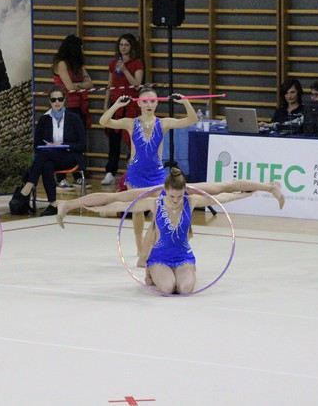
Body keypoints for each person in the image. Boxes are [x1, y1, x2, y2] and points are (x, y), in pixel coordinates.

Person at [57, 168, 285, 294]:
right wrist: (81, 206)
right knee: (168, 288)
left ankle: (270, 187)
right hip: (154, 198)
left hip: (182, 252)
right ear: (166, 192)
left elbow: (225, 194)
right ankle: (67, 204)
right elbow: (116, 203)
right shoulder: (155, 199)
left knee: (185, 289)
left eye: (179, 196)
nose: (176, 201)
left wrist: (251, 193)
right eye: (173, 197)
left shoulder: (190, 198)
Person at [99, 86, 199, 264]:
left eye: (152, 101)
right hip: (136, 173)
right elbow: (104, 121)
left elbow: (192, 119)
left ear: (157, 103)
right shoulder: (131, 123)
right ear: (138, 103)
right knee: (137, 210)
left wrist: (185, 102)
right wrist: (117, 105)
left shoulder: (163, 123)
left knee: (158, 210)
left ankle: (154, 244)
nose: (149, 104)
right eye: (145, 101)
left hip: (156, 174)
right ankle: (139, 246)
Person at [11, 87, 86, 216]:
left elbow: (82, 144)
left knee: (44, 155)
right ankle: (53, 204)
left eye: (60, 99)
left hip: (69, 156)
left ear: (64, 100)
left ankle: (29, 185)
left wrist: (63, 145)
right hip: (50, 157)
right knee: (46, 165)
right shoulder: (44, 119)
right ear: (49, 101)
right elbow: (37, 144)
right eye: (53, 99)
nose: (57, 102)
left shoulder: (74, 118)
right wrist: (49, 147)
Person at [101, 34, 145, 187]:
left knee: (131, 138)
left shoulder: (137, 63)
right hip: (116, 104)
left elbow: (137, 84)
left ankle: (132, 170)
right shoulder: (113, 63)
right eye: (121, 45)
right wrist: (106, 104)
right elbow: (110, 85)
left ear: (131, 47)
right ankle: (110, 172)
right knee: (114, 139)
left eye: (126, 45)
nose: (123, 47)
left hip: (131, 105)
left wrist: (125, 70)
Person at [53, 34, 93, 187]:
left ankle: (78, 175)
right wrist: (80, 85)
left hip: (78, 106)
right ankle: (61, 177)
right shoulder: (61, 64)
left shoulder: (78, 65)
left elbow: (90, 83)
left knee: (78, 142)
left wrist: (79, 86)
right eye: (80, 48)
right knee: (63, 142)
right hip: (64, 107)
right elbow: (69, 87)